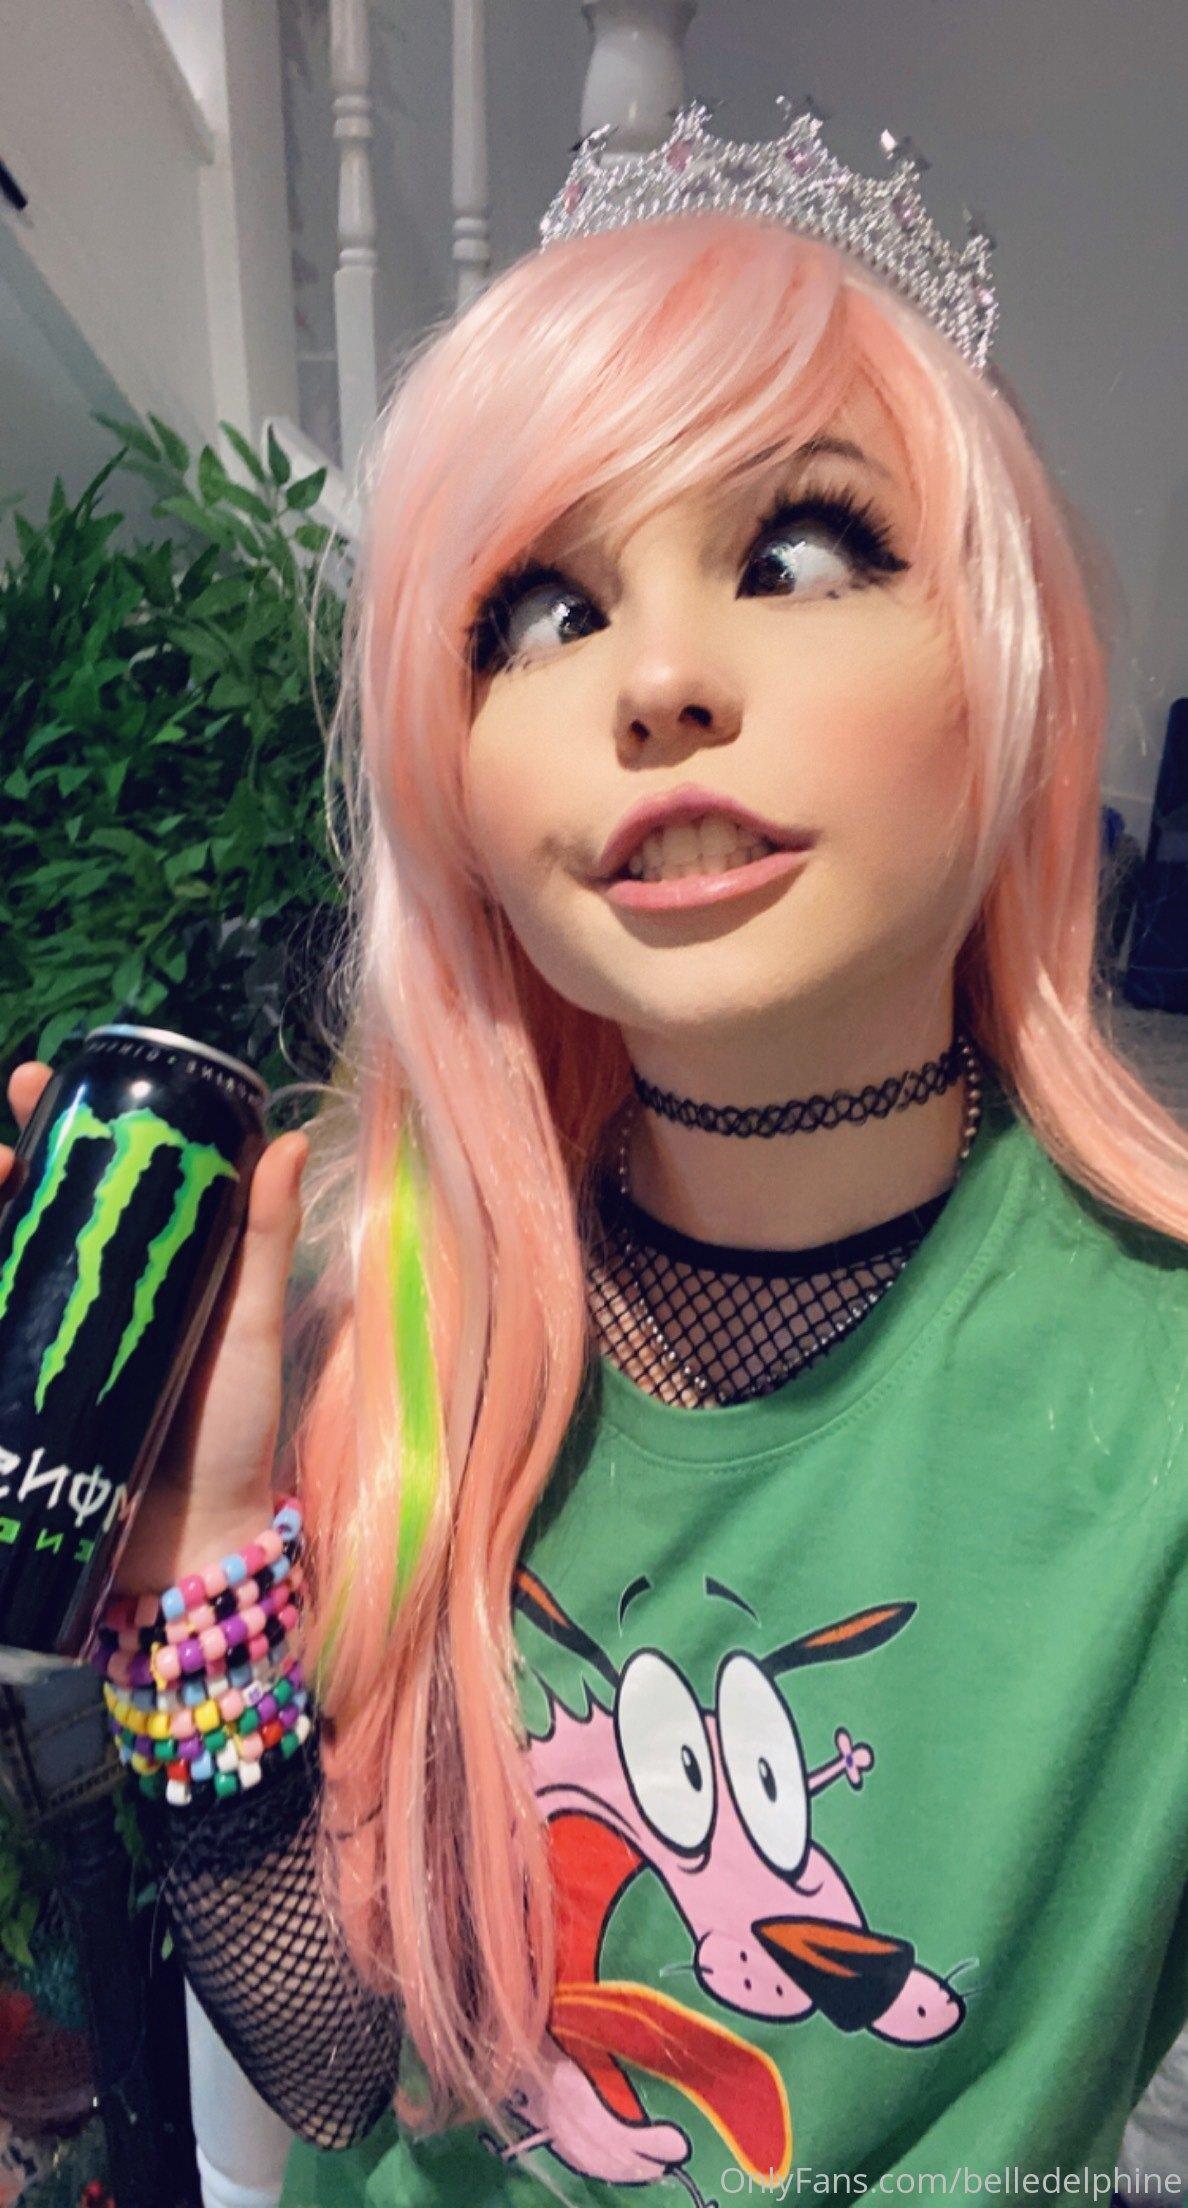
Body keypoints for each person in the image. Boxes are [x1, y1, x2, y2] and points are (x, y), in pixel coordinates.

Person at [6, 100, 1188, 2208]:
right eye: (540, 609)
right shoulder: (366, 1296)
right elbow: (347, 2080)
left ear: (1008, 668)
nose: (653, 682)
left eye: (799, 552)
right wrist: (197, 1587)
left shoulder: (1156, 1402)